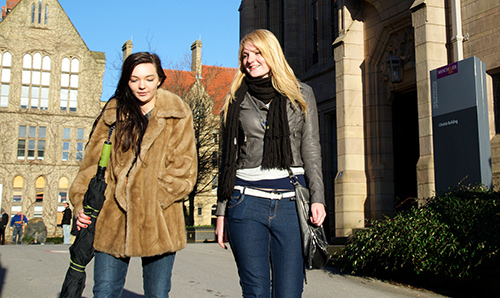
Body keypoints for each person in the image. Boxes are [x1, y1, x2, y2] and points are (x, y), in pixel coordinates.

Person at [70, 52, 197, 298]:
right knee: (104, 292)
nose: (142, 86)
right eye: (134, 79)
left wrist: (152, 198)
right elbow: (92, 165)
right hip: (113, 218)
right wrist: (80, 204)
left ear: (160, 79)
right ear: (126, 81)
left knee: (157, 293)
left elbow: (184, 168)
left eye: (149, 79)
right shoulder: (113, 113)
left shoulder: (177, 113)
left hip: (159, 220)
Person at [215, 29, 327, 298]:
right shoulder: (236, 98)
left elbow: (311, 150)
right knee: (255, 292)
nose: (250, 60)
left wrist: (318, 197)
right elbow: (227, 159)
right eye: (245, 55)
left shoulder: (301, 94)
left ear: (272, 53)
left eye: (257, 53)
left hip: (290, 204)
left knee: (289, 292)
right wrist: (221, 212)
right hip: (245, 203)